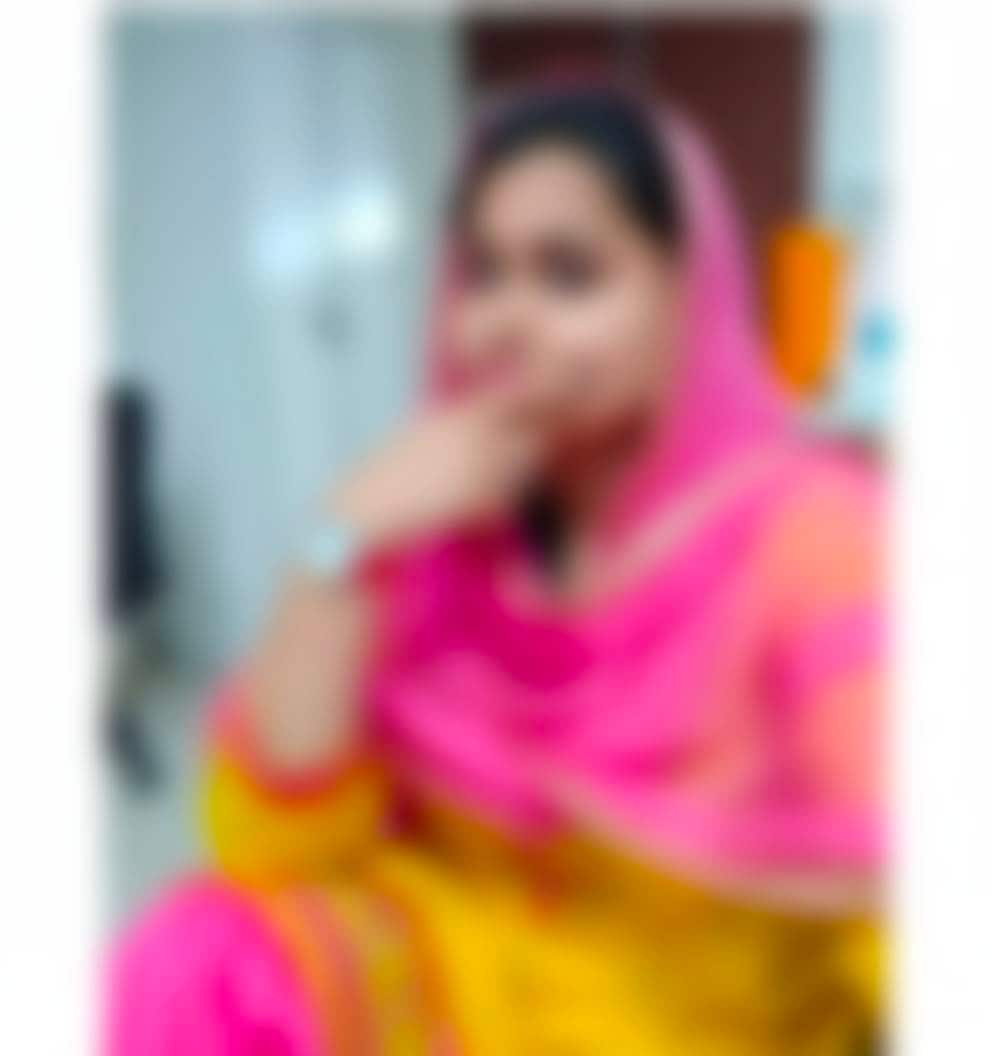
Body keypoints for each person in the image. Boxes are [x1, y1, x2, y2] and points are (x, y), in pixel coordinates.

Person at [108, 84, 885, 1055]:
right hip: (458, 974)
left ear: (688, 297)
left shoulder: (809, 534)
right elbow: (276, 849)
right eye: (482, 273)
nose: (506, 321)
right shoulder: (451, 523)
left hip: (674, 1023)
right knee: (196, 964)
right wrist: (342, 536)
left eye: (568, 274)